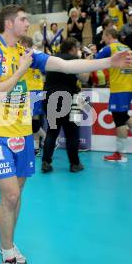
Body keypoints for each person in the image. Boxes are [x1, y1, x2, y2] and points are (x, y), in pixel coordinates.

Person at [0, 5, 132, 264]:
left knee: (18, 193)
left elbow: (66, 65)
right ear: (9, 23)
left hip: (23, 133)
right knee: (10, 194)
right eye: (24, 19)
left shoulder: (26, 52)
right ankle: (7, 251)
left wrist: (108, 62)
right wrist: (23, 69)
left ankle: (9, 243)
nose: (28, 23)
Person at [96, 28, 132, 162]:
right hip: (128, 86)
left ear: (108, 36)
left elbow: (96, 60)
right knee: (123, 115)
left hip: (119, 88)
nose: (103, 39)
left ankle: (121, 154)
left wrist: (90, 53)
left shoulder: (110, 48)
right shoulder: (127, 47)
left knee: (119, 118)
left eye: (104, 36)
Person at [41, 38, 88, 173]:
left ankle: (45, 162)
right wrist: (88, 62)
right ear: (73, 48)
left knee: (52, 131)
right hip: (68, 97)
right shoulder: (73, 59)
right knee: (72, 133)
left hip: (49, 97)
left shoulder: (52, 58)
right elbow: (84, 77)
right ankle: (75, 163)